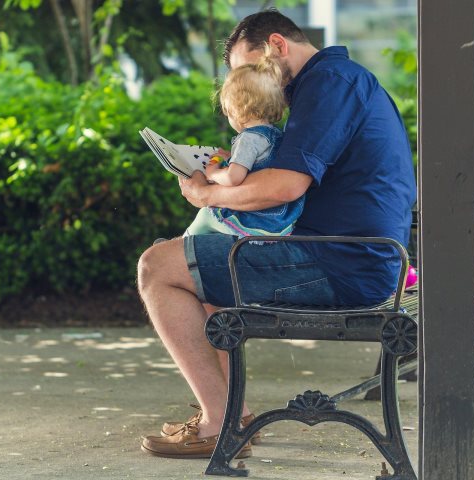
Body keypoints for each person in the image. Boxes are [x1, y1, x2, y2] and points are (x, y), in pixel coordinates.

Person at [138, 8, 416, 459]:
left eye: (251, 68)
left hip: (341, 263)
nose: (252, 83)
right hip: (351, 256)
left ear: (277, 46)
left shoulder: (329, 84)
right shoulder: (332, 82)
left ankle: (215, 424)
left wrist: (207, 196)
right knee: (202, 271)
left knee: (157, 266)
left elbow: (285, 186)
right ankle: (234, 417)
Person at [186, 50, 304, 237]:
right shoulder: (276, 135)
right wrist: (230, 158)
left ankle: (182, 246)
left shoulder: (248, 139)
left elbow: (234, 178)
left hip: (258, 221)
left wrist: (214, 173)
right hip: (280, 221)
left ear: (236, 110)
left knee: (206, 215)